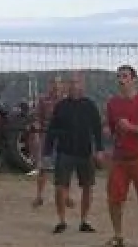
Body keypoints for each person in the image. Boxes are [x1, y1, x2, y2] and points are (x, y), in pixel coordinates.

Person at [103, 65, 138, 247]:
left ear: (134, 79)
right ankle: (118, 236)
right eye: (119, 76)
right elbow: (112, 130)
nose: (121, 80)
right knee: (114, 199)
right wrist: (106, 146)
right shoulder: (112, 103)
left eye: (125, 76)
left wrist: (131, 128)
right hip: (120, 158)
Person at [44, 73, 105, 234]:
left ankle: (84, 220)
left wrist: (99, 149)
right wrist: (47, 151)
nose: (73, 85)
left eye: (76, 82)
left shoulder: (90, 105)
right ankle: (61, 220)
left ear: (82, 85)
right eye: (71, 82)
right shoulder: (61, 106)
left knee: (87, 186)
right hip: (65, 151)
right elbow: (51, 129)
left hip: (85, 152)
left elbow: (97, 129)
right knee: (60, 186)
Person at [31, 76, 64, 208]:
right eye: (53, 83)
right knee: (43, 169)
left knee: (63, 169)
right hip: (47, 138)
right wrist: (37, 127)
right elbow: (37, 117)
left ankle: (65, 196)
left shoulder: (66, 101)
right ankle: (39, 196)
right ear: (49, 85)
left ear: (61, 86)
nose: (55, 86)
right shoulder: (43, 100)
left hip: (62, 138)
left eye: (58, 84)